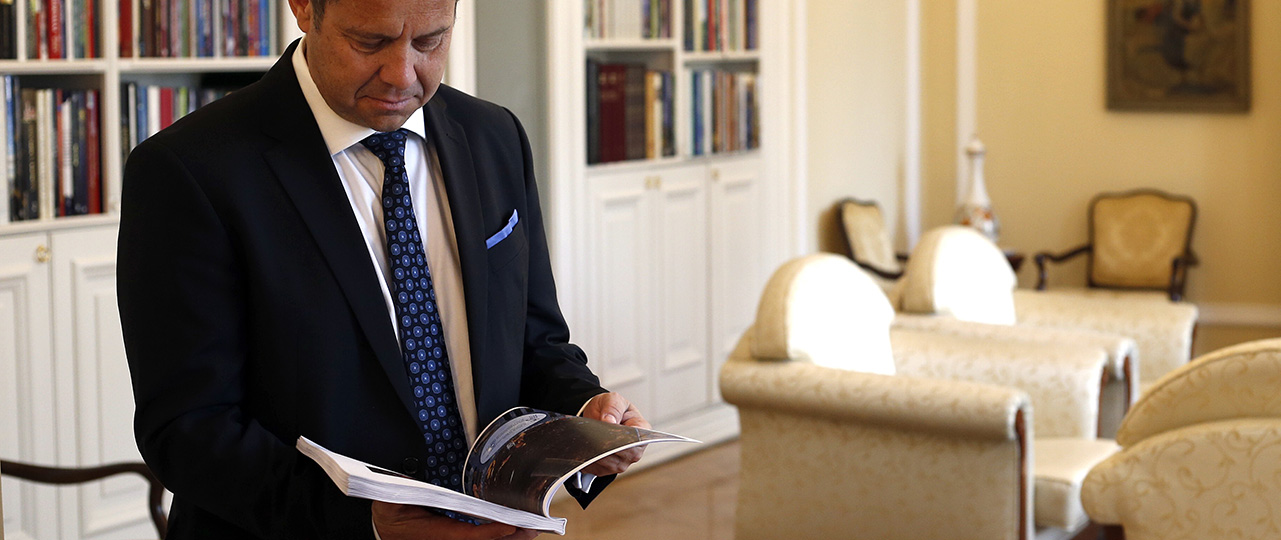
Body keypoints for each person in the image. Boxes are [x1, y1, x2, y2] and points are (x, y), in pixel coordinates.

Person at [116, 0, 648, 538]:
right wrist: (364, 524)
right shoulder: (188, 169)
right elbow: (188, 427)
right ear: (304, 8)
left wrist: (585, 411)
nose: (402, 75)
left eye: (430, 41)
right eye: (370, 42)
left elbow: (536, 340)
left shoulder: (495, 136)